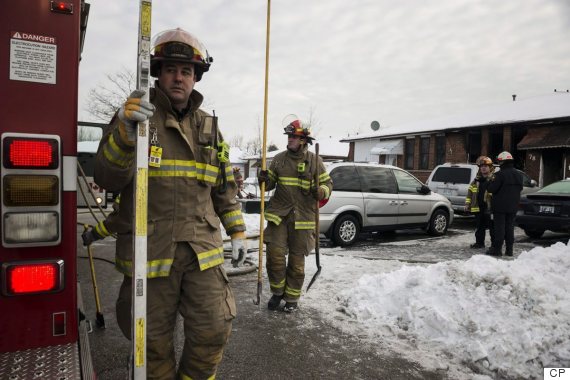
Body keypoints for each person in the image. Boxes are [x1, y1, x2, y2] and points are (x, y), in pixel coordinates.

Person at [93, 28, 246, 379]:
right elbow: (107, 177)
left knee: (214, 328)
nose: (179, 77)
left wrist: (237, 230)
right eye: (172, 69)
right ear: (158, 73)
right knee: (149, 343)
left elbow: (222, 188)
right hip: (151, 253)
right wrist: (124, 137)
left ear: (195, 78)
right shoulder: (135, 119)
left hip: (201, 253)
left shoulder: (209, 127)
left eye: (187, 71)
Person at [258, 119, 332, 312]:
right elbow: (270, 184)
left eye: (293, 137)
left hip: (303, 218)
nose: (289, 139)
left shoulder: (315, 161)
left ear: (303, 140)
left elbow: (328, 184)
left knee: (297, 264)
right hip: (279, 216)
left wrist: (322, 191)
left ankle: (292, 298)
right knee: (274, 257)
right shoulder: (279, 159)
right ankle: (277, 292)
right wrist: (264, 178)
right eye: (289, 136)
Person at [486, 151, 523, 257]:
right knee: (510, 228)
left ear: (502, 162)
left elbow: (491, 189)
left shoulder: (499, 175)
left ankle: (497, 250)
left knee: (500, 228)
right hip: (513, 206)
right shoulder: (519, 175)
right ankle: (509, 250)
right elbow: (520, 188)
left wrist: (489, 182)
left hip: (499, 207)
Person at [465, 156, 495, 249]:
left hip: (490, 208)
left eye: (486, 166)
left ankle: (494, 245)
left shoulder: (494, 179)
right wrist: (467, 204)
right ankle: (479, 243)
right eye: (481, 166)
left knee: (492, 228)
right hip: (478, 207)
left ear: (490, 167)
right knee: (479, 227)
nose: (483, 168)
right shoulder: (476, 180)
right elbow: (470, 193)